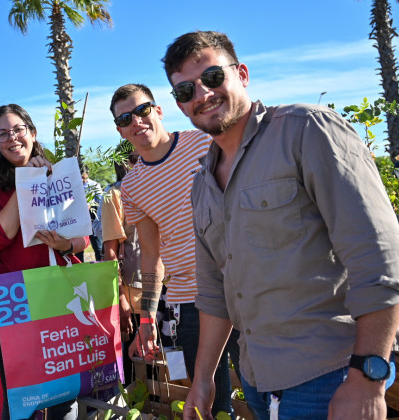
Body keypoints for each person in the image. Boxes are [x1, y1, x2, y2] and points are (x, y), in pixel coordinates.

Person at [161, 31, 399, 420]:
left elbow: (382, 256)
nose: (201, 95)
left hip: (333, 374)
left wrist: (367, 377)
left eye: (212, 78)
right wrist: (202, 379)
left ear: (242, 74)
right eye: (185, 90)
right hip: (259, 381)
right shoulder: (202, 183)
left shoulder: (307, 131)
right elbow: (216, 292)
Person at [111, 83, 236, 416]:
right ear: (120, 130)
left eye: (142, 110)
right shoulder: (132, 186)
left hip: (243, 283)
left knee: (264, 392)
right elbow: (151, 256)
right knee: (212, 404)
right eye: (125, 118)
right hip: (190, 302)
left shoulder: (203, 142)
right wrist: (147, 318)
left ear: (158, 110)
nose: (136, 122)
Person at [0, 104, 89, 420]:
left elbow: (83, 237)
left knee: (63, 389)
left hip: (59, 295)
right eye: (2, 134)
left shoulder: (59, 174)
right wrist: (25, 181)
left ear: (32, 132)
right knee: (24, 391)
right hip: (16, 299)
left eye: (17, 130)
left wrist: (65, 244)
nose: (12, 138)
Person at [100, 141, 141, 383]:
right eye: (134, 159)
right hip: (133, 297)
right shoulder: (113, 195)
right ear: (122, 162)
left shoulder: (161, 189)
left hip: (167, 295)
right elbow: (110, 254)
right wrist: (122, 299)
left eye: (143, 156)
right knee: (136, 375)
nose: (140, 163)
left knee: (168, 372)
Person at [75, 164, 103, 262]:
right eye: (80, 176)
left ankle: (100, 267)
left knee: (98, 247)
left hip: (93, 218)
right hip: (79, 220)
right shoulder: (74, 185)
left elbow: (101, 201)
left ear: (87, 174)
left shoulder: (94, 185)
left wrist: (91, 204)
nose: (82, 178)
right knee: (78, 249)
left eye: (83, 176)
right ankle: (79, 269)